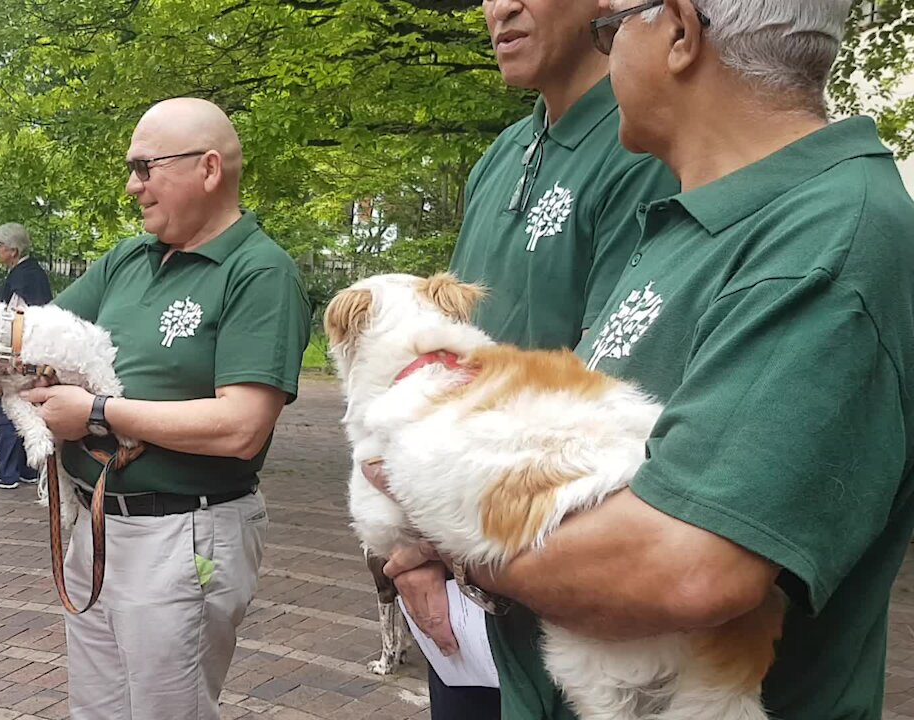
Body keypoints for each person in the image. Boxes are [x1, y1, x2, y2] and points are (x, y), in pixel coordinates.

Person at [378, 0, 914, 717]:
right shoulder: (693, 219)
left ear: (682, 32)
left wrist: (448, 521)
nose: (606, 45)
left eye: (612, 23)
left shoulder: (825, 245)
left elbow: (682, 566)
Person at [386, 0, 679, 716]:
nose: (499, 8)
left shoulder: (643, 147)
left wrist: (441, 544)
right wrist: (413, 542)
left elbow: (616, 387)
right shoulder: (502, 152)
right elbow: (443, 360)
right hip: (462, 565)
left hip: (556, 567)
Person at [19, 97, 311, 720]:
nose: (133, 186)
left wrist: (97, 413)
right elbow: (35, 335)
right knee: (98, 711)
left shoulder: (260, 271)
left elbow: (242, 427)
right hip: (99, 527)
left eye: (145, 168)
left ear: (208, 169)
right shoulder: (129, 258)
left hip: (183, 532)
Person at [0, 223, 52, 488]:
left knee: (6, 410)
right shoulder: (33, 273)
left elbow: (14, 318)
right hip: (33, 351)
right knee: (25, 405)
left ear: (13, 250)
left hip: (17, 354)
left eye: (0, 245)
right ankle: (25, 469)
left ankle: (7, 473)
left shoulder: (21, 275)